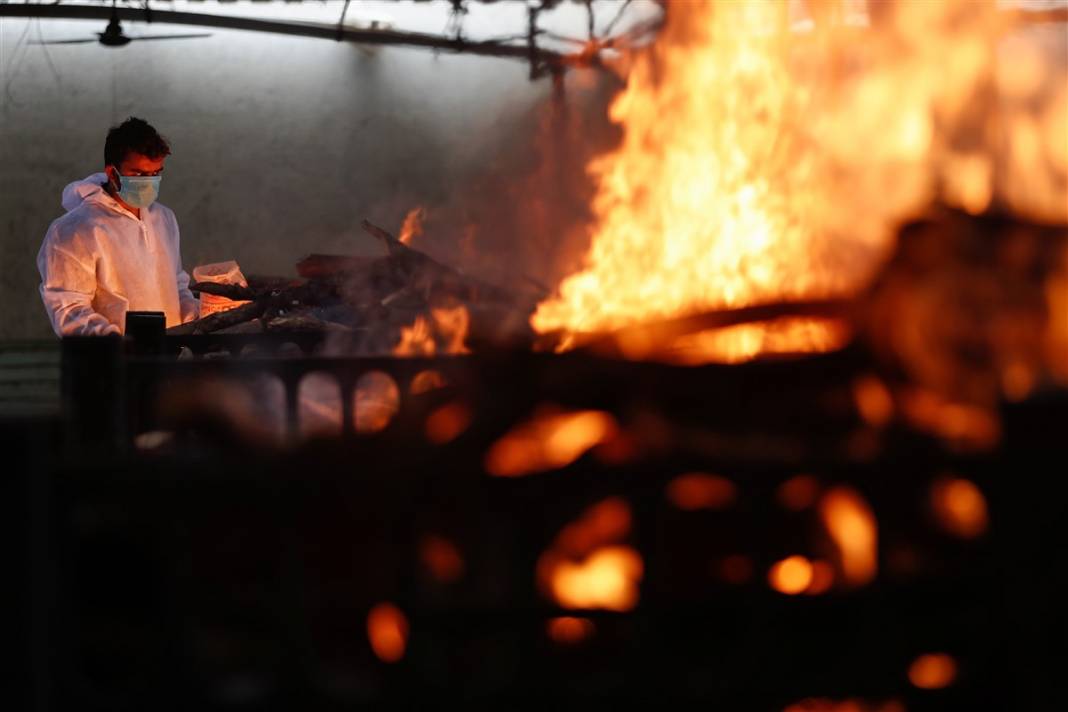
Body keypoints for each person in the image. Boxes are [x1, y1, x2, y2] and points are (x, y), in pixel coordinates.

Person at [37, 117, 198, 336]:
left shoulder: (164, 218)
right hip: (109, 363)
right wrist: (113, 342)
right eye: (139, 175)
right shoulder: (75, 230)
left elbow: (177, 286)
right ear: (113, 173)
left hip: (168, 357)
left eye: (155, 174)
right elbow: (68, 308)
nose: (149, 182)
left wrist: (196, 320)